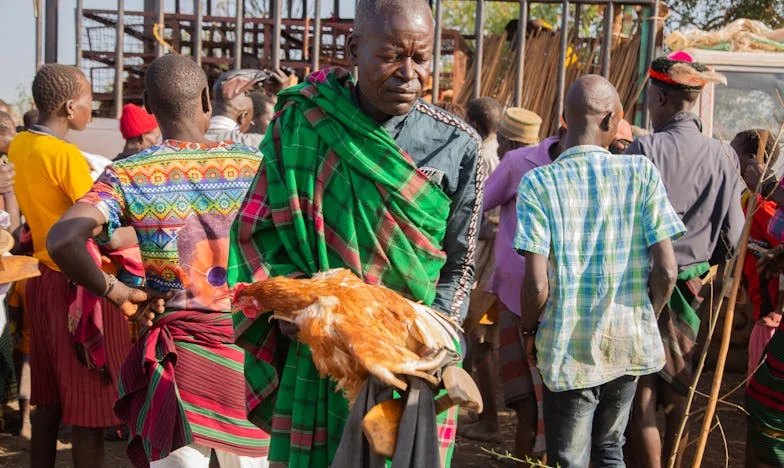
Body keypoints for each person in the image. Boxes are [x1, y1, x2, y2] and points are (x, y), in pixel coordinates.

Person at [227, 0, 484, 465]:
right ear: (353, 50)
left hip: (417, 360)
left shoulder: (458, 144)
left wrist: (435, 337)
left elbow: (461, 263)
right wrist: (299, 309)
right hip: (325, 352)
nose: (409, 73)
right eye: (390, 56)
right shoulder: (302, 123)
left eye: (421, 58)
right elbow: (257, 234)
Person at [46, 54, 270, 468]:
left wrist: (116, 292)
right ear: (206, 98)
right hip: (253, 358)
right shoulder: (256, 166)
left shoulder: (129, 174)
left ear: (148, 104)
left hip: (179, 362)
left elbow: (62, 240)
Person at [515, 75, 683, 467]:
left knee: (569, 458)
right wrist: (646, 314)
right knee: (610, 448)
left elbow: (537, 284)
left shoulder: (539, 183)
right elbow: (668, 271)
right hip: (627, 342)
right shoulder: (641, 174)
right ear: (612, 121)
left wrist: (528, 331)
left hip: (566, 344)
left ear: (563, 120)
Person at [7, 63, 131, 468]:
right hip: (76, 286)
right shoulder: (66, 157)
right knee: (90, 412)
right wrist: (146, 231)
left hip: (41, 280)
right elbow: (103, 233)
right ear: (67, 105)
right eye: (88, 102)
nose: (91, 110)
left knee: (49, 402)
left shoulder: (22, 145)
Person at [624, 53, 744, 468]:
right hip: (693, 290)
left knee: (641, 393)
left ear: (659, 99)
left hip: (641, 287)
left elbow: (619, 224)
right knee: (679, 387)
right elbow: (734, 234)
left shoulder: (643, 150)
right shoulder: (723, 156)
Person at [459, 96, 503, 442]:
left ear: (472, 123)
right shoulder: (495, 154)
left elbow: (484, 216)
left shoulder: (484, 158)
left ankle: (490, 421)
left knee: (482, 340)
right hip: (486, 259)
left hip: (485, 263)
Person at [730, 129, 783, 381]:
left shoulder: (764, 202)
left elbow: (779, 242)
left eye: (734, 153)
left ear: (751, 158)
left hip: (769, 315)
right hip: (760, 309)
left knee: (762, 380)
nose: (729, 159)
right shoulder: (748, 197)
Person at [206, 69, 266, 148]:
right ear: (242, 117)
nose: (252, 123)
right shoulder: (257, 144)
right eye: (250, 120)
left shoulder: (188, 139)